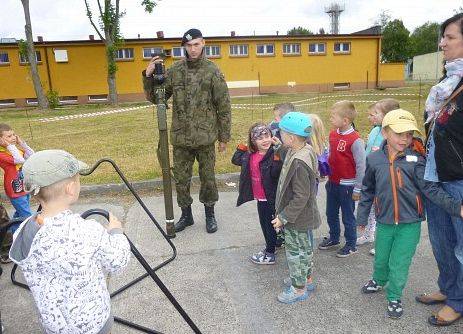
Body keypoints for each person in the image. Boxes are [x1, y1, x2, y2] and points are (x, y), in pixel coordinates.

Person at [9, 150, 131, 334]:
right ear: (71, 188)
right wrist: (116, 232)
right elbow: (117, 261)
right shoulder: (88, 231)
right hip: (93, 323)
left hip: (55, 326)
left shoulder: (24, 229)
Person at [357, 109, 463, 319]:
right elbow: (368, 189)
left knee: (399, 262)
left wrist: (456, 207)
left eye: (409, 134)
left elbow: (430, 190)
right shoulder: (374, 159)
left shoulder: (417, 160)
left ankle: (394, 296)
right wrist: (361, 218)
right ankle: (378, 280)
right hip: (384, 221)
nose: (405, 139)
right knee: (381, 257)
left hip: (410, 224)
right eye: (399, 133)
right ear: (385, 132)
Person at [142, 28, 231, 234]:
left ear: (203, 44)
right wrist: (148, 77)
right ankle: (186, 215)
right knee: (181, 179)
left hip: (205, 137)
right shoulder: (174, 71)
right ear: (184, 47)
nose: (193, 49)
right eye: (189, 46)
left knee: (208, 178)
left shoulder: (212, 71)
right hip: (181, 138)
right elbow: (158, 99)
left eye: (196, 44)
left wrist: (223, 136)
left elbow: (223, 105)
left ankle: (210, 215)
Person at [417, 13, 463, 327]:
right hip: (435, 176)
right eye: (442, 37)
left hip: (458, 180)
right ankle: (449, 289)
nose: (441, 43)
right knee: (441, 242)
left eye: (449, 37)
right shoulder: (446, 84)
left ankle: (458, 301)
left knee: (460, 247)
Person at [271, 112, 321, 304]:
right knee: (305, 249)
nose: (281, 136)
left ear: (290, 138)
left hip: (296, 218)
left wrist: (283, 217)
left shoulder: (300, 163)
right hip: (302, 216)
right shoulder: (303, 149)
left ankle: (298, 288)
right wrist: (278, 146)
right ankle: (305, 279)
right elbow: (287, 154)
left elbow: (302, 196)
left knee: (295, 253)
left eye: (282, 134)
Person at [318, 101, 366, 257]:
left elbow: (361, 166)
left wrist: (358, 188)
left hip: (347, 186)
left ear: (345, 120)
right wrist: (324, 168)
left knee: (348, 216)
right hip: (332, 183)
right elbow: (330, 155)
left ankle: (351, 244)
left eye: (333, 116)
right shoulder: (333, 134)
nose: (330, 118)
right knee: (331, 213)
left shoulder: (355, 140)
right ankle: (334, 238)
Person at [231, 123, 282, 264]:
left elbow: (275, 173)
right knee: (264, 223)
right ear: (253, 141)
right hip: (259, 197)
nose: (265, 140)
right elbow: (235, 160)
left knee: (269, 225)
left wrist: (277, 153)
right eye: (260, 138)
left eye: (267, 136)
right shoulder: (250, 155)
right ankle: (272, 246)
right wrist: (243, 146)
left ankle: (270, 253)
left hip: (270, 197)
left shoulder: (273, 154)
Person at [357, 99, 400, 254]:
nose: (372, 116)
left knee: (384, 211)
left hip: (386, 179)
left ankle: (385, 242)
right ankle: (369, 234)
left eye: (376, 113)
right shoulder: (375, 130)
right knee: (371, 209)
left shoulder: (394, 133)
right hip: (372, 175)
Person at [0, 124, 34, 233]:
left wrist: (22, 144)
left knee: (20, 213)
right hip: (14, 188)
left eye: (14, 135)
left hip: (23, 184)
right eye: (9, 136)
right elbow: (19, 160)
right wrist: (10, 146)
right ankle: (30, 236)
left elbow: (31, 155)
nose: (13, 137)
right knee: (27, 215)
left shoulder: (12, 150)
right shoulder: (2, 154)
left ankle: (11, 233)